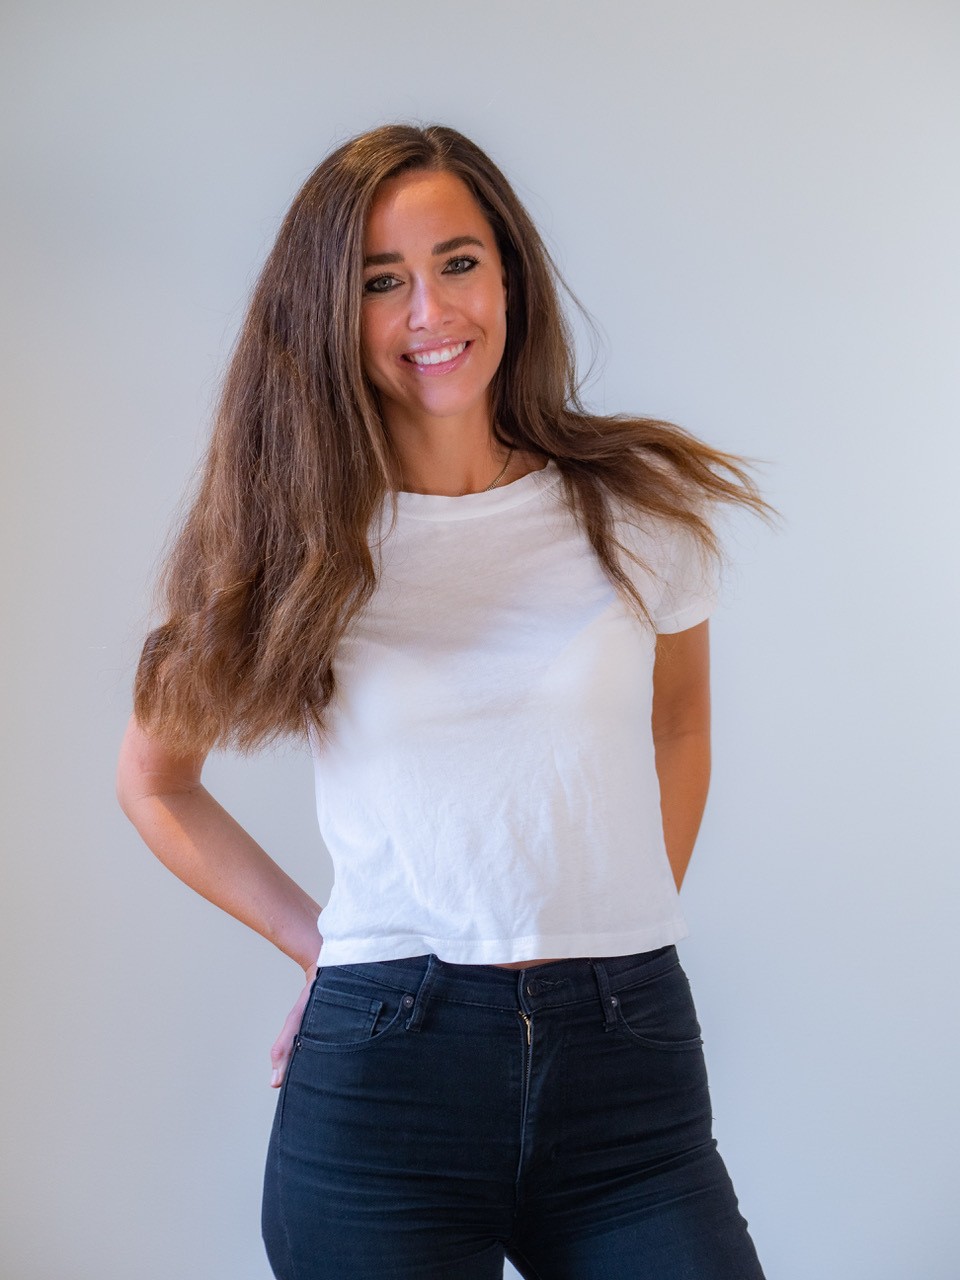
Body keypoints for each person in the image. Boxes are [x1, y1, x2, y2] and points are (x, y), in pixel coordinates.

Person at [117, 123, 770, 1280]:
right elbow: (156, 782)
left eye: (459, 262)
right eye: (383, 280)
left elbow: (680, 723)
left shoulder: (636, 508)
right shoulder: (292, 541)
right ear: (331, 311)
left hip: (632, 1069)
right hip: (385, 1084)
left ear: (507, 273)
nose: (432, 310)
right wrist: (317, 949)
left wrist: (609, 920)